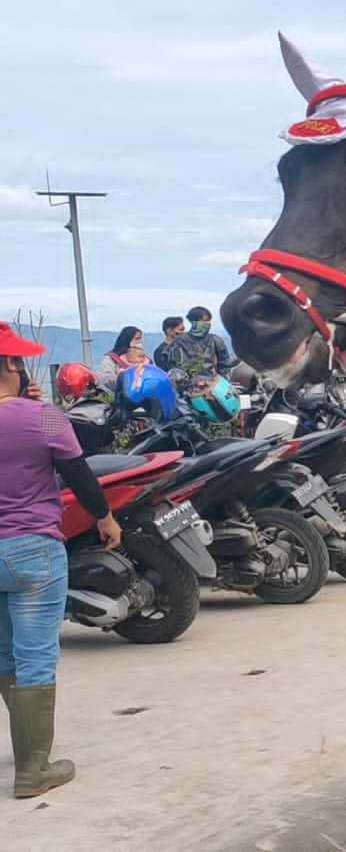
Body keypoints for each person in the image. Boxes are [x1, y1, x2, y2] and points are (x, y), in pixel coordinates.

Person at [0, 323, 122, 798]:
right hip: (33, 549)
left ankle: (24, 744)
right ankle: (33, 768)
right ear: (12, 364)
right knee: (36, 657)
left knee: (5, 653)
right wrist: (105, 518)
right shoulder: (45, 415)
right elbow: (78, 470)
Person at [166, 306, 234, 392]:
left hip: (210, 387)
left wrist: (222, 384)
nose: (208, 323)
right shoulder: (179, 341)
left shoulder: (215, 340)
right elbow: (170, 364)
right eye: (205, 320)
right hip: (185, 389)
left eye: (209, 320)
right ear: (194, 322)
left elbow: (225, 365)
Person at [94, 325, 146, 393]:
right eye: (137, 339)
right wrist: (127, 382)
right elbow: (105, 378)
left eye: (140, 339)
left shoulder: (144, 359)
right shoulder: (111, 359)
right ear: (127, 340)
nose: (139, 342)